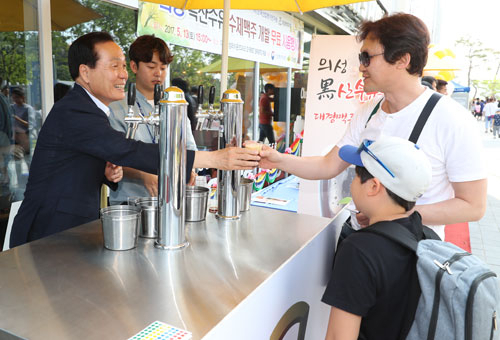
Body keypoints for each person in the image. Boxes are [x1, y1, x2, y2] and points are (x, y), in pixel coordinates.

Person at [9, 32, 260, 248]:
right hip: (47, 232)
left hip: (71, 227)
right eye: (114, 66)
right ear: (85, 72)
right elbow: (126, 149)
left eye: (121, 66)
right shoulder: (76, 110)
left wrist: (106, 172)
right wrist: (214, 158)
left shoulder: (90, 108)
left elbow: (76, 161)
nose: (122, 76)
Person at [258, 13, 486, 240]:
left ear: (402, 60)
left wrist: (394, 215)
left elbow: (473, 206)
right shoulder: (370, 110)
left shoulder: (452, 119)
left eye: (367, 57)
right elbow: (329, 165)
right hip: (362, 242)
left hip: (410, 253)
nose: (361, 67)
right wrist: (278, 159)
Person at [322, 136, 432, 340]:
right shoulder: (426, 238)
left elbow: (339, 336)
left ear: (374, 186)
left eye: (355, 176)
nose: (351, 182)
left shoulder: (359, 250)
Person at [109, 36, 197, 205]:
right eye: (151, 67)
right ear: (134, 66)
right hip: (131, 202)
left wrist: (191, 169)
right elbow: (113, 158)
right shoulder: (117, 107)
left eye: (163, 68)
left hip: (171, 200)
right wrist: (142, 175)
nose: (158, 73)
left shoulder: (175, 106)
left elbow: (189, 147)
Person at [10, 87, 34, 153]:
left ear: (22, 97)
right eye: (13, 97)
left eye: (17, 97)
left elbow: (30, 124)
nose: (15, 100)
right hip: (14, 137)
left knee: (26, 159)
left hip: (24, 137)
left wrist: (17, 118)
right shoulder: (12, 107)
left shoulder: (28, 108)